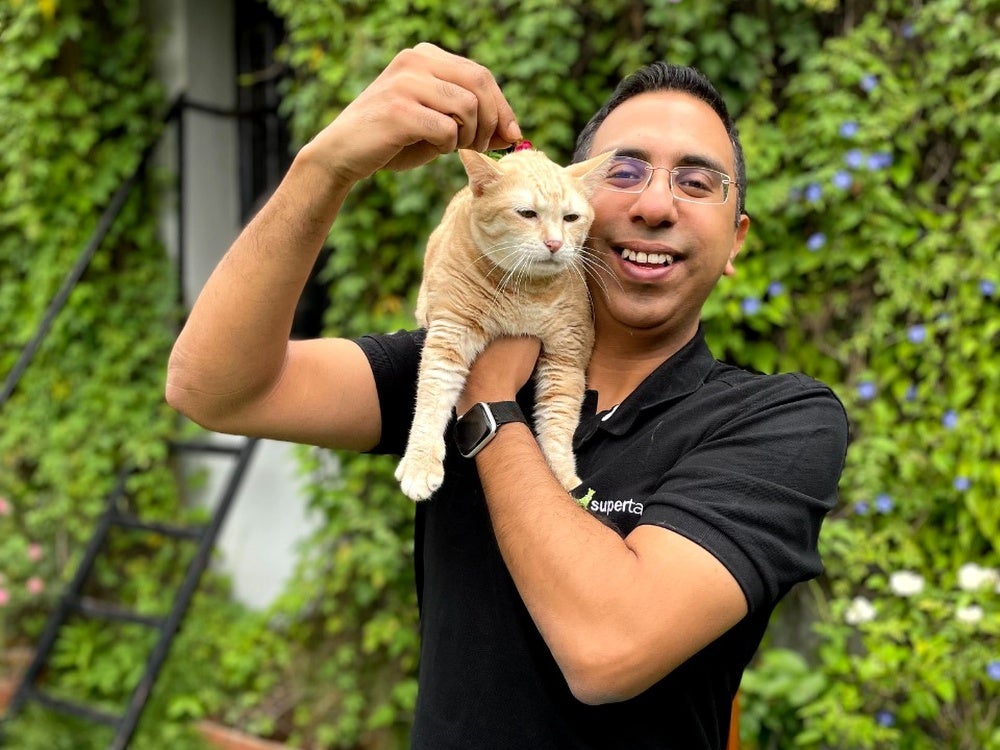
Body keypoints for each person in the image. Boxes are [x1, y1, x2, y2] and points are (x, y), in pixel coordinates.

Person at [166, 43, 848, 750]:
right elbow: (211, 387)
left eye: (698, 183)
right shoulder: (448, 355)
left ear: (736, 242)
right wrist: (325, 168)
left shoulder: (778, 423)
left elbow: (608, 649)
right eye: (626, 170)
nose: (654, 204)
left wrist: (489, 401)